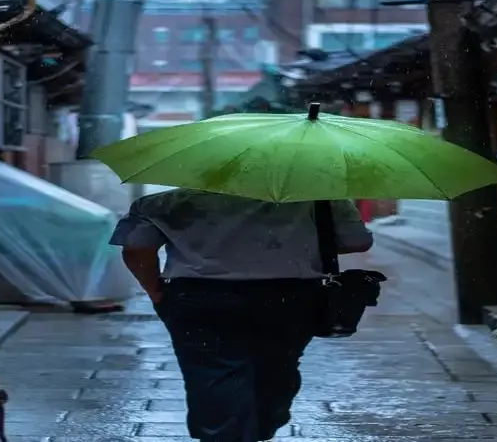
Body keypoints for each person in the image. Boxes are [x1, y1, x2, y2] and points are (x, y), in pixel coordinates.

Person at [110, 188, 373, 442]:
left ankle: (224, 433)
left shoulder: (162, 203)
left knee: (211, 372)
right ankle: (258, 426)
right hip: (289, 297)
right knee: (277, 368)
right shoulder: (320, 199)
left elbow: (135, 248)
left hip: (200, 296)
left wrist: (155, 291)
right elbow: (357, 241)